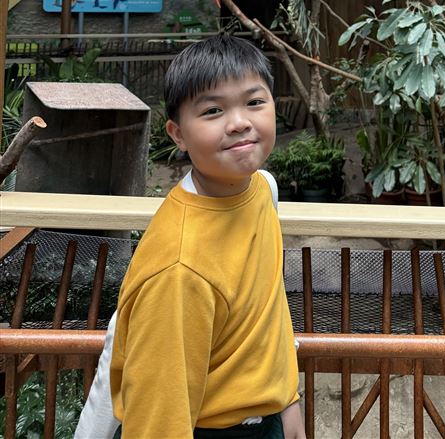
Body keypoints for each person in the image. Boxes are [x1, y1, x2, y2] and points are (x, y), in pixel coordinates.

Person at [76, 34, 304, 439]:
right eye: (213, 110)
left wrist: (288, 403)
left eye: (254, 102)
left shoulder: (260, 190)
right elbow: (158, 419)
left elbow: (268, 309)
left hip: (265, 419)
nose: (239, 122)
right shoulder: (179, 269)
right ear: (178, 134)